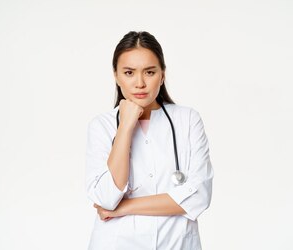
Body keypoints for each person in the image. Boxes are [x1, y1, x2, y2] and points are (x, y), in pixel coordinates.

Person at [85, 31, 214, 250]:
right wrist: (126, 126)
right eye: (129, 72)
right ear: (116, 76)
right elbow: (107, 198)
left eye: (150, 72)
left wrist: (123, 208)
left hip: (176, 244)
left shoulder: (187, 119)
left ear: (162, 75)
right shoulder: (103, 126)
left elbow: (198, 196)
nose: (140, 83)